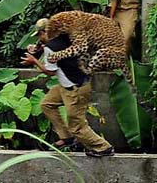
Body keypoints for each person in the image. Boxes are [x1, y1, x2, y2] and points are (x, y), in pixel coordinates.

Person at [21, 18, 115, 157]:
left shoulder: (51, 47)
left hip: (74, 89)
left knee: (77, 127)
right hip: (70, 85)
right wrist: (38, 49)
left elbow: (50, 72)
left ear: (45, 32)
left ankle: (103, 147)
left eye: (40, 35)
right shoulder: (68, 37)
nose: (40, 38)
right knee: (47, 104)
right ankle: (66, 137)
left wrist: (33, 60)